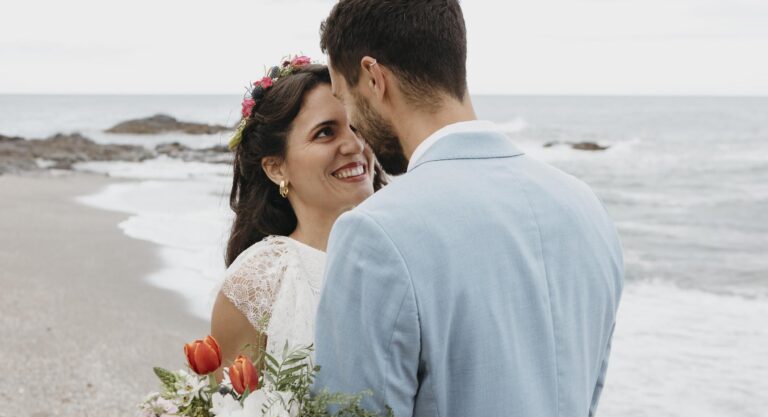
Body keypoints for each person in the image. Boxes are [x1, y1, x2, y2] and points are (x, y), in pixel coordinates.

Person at [313, 1, 624, 416]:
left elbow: (347, 409)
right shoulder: (587, 209)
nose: (352, 123)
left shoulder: (376, 232)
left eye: (343, 96)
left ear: (373, 77)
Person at [210, 59, 385, 374]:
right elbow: (231, 403)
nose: (354, 144)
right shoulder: (257, 284)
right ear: (277, 168)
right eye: (325, 133)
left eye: (357, 126)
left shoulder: (406, 251)